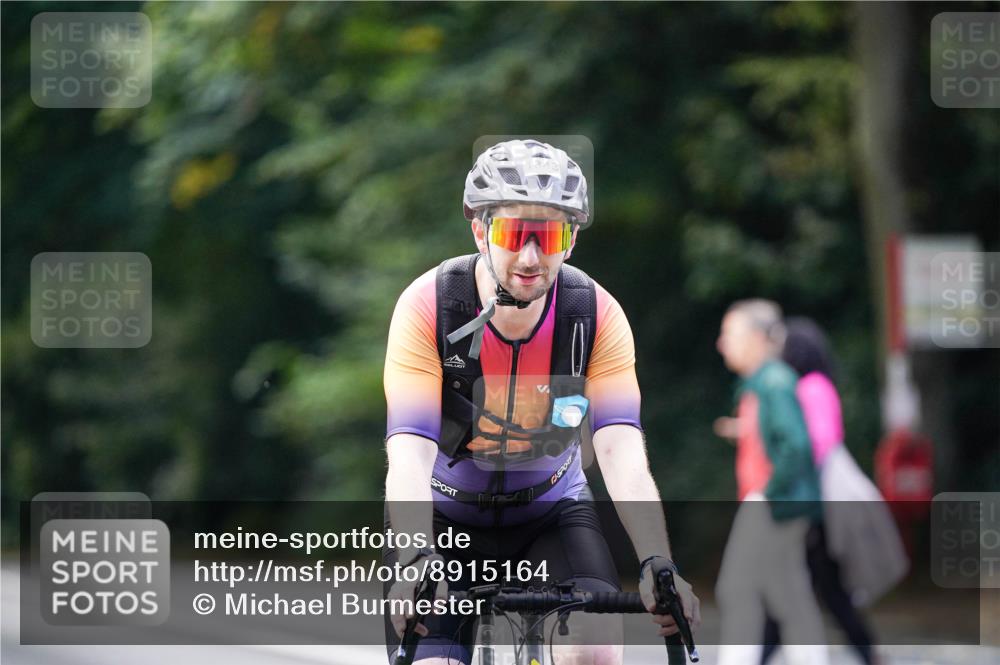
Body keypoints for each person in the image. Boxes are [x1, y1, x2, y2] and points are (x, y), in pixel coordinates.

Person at [382, 139, 699, 665]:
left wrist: (655, 559)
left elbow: (620, 448)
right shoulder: (429, 306)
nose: (530, 257)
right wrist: (415, 553)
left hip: (551, 513)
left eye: (548, 235)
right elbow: (410, 451)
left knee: (594, 654)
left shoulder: (593, 314)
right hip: (442, 518)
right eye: (512, 234)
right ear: (480, 229)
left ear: (570, 240)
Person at [714, 300, 828, 665]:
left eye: (730, 333)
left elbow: (796, 444)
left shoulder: (774, 381)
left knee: (737, 588)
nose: (722, 343)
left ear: (758, 338)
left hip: (772, 502)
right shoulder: (765, 380)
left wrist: (769, 492)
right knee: (788, 593)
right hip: (779, 502)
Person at [759, 316, 878, 665]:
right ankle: (869, 654)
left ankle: (869, 654)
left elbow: (819, 441)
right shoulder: (817, 384)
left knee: (809, 588)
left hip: (816, 504)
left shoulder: (811, 386)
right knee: (824, 589)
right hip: (817, 504)